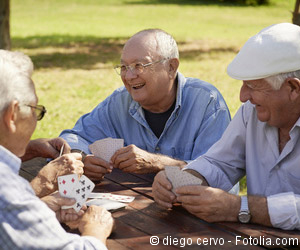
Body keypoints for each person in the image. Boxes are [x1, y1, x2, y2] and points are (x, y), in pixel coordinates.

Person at [152, 23, 300, 231]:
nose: (242, 97)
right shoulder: (252, 111)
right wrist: (180, 180)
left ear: (293, 88)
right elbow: (220, 162)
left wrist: (240, 208)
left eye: (252, 86)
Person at [60, 29, 231, 181]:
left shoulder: (207, 103)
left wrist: (157, 163)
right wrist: (82, 159)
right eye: (124, 67)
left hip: (191, 212)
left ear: (171, 67)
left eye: (139, 66)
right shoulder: (119, 101)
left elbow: (218, 175)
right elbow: (73, 137)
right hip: (135, 211)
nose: (128, 76)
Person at [0, 50, 113, 249]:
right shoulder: (8, 192)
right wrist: (95, 229)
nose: (36, 121)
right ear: (12, 115)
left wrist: (43, 206)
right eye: (36, 111)